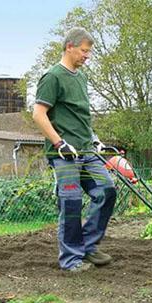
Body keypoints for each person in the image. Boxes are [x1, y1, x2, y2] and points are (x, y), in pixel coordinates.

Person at [32, 27, 116, 272]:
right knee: (71, 202)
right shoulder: (52, 77)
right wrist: (59, 143)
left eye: (88, 52)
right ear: (70, 46)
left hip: (87, 151)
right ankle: (70, 259)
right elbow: (38, 114)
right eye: (84, 51)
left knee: (106, 190)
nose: (86, 56)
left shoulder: (81, 77)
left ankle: (88, 246)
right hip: (64, 155)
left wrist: (95, 139)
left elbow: (80, 117)